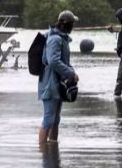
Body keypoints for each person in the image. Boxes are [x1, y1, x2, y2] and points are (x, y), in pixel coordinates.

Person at [38, 10, 79, 146]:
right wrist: (70, 73)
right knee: (48, 119)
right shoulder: (55, 39)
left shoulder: (61, 38)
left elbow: (63, 61)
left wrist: (71, 72)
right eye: (72, 23)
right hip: (50, 84)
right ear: (66, 24)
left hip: (58, 84)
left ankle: (53, 147)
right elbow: (53, 61)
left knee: (56, 120)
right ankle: (43, 149)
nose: (73, 26)